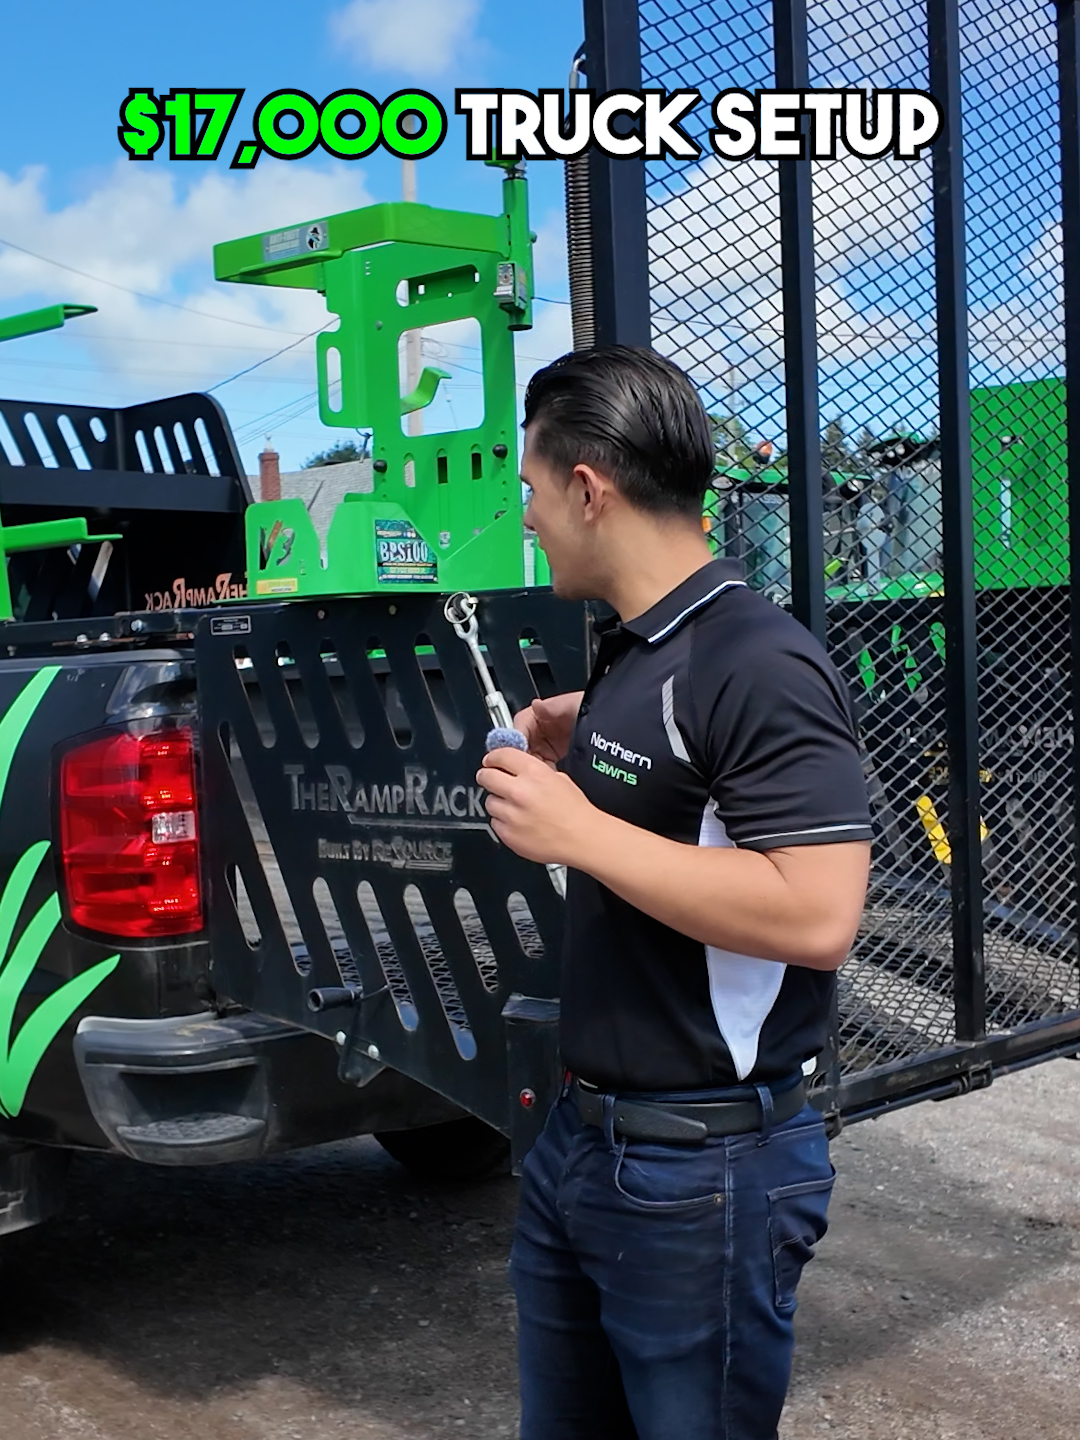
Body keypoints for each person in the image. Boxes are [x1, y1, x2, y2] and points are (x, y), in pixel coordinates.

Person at [476, 346, 872, 1440]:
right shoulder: (638, 655)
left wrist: (580, 832)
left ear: (590, 489)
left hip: (704, 1177)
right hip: (586, 1145)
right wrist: (578, 732)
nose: (529, 520)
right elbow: (670, 786)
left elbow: (818, 913)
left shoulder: (755, 660)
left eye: (532, 492)